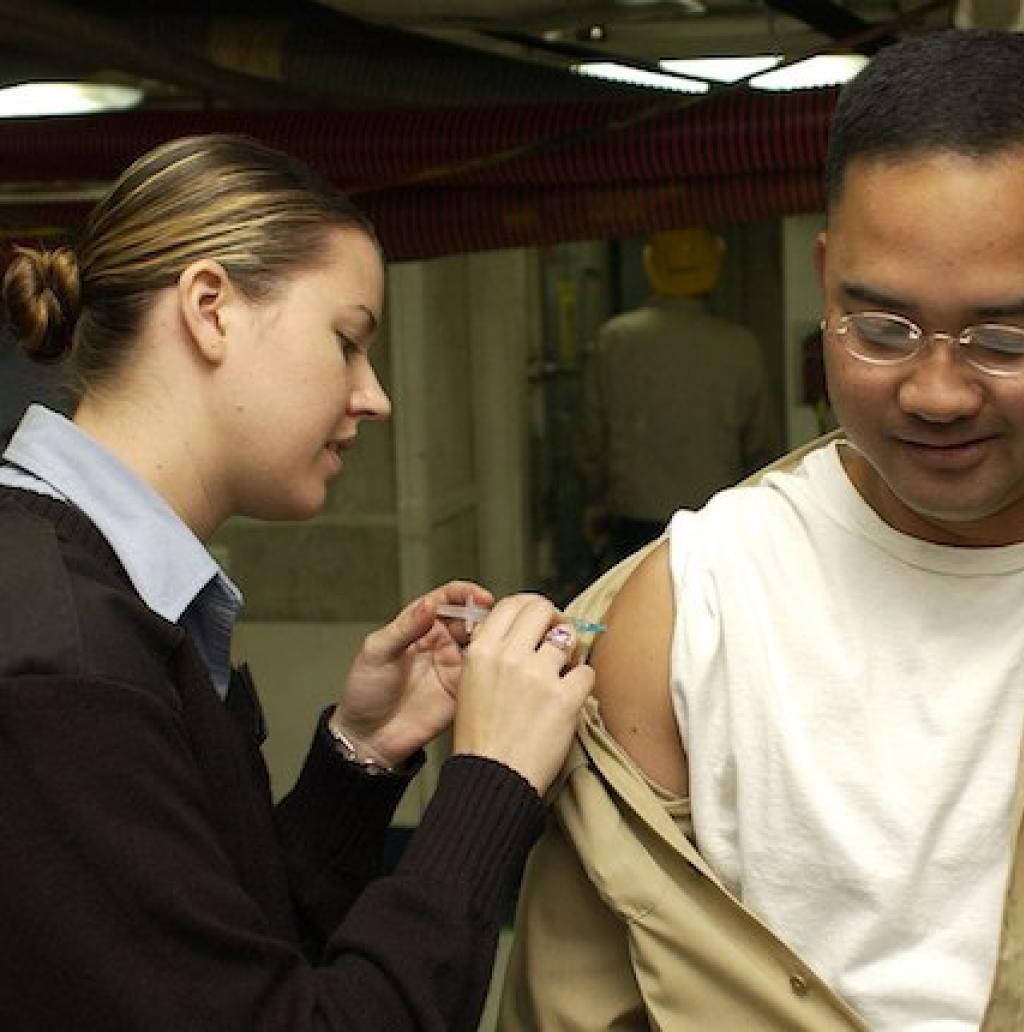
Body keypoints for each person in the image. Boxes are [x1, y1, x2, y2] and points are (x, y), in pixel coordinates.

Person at [500, 29, 1024, 1031]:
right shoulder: (689, 607)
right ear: (827, 283)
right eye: (880, 329)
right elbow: (574, 1005)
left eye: (1005, 337)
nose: (938, 391)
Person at [0, 133, 595, 1031]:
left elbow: (228, 950)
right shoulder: (60, 661)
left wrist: (361, 756)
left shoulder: (99, 594)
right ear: (211, 308)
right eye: (348, 341)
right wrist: (493, 778)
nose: (374, 395)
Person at [575, 225, 774, 564]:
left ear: (651, 264)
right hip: (715, 521)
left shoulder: (616, 340)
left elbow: (591, 441)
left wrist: (594, 503)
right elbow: (762, 449)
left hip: (633, 523)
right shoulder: (740, 346)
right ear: (714, 266)